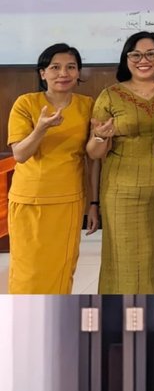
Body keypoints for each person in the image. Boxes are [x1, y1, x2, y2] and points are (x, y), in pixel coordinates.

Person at [89, 32, 154, 293]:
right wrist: (100, 136)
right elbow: (95, 154)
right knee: (122, 263)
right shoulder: (109, 96)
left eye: (152, 53)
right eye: (136, 54)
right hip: (121, 195)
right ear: (126, 59)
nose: (144, 60)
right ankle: (119, 325)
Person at [7, 43, 94, 293]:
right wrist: (41, 128)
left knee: (63, 269)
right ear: (42, 73)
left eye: (71, 67)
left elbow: (93, 158)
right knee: (28, 271)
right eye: (55, 67)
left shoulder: (87, 105)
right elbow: (20, 154)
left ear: (79, 73)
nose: (63, 73)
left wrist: (94, 203)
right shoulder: (26, 103)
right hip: (29, 200)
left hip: (69, 199)